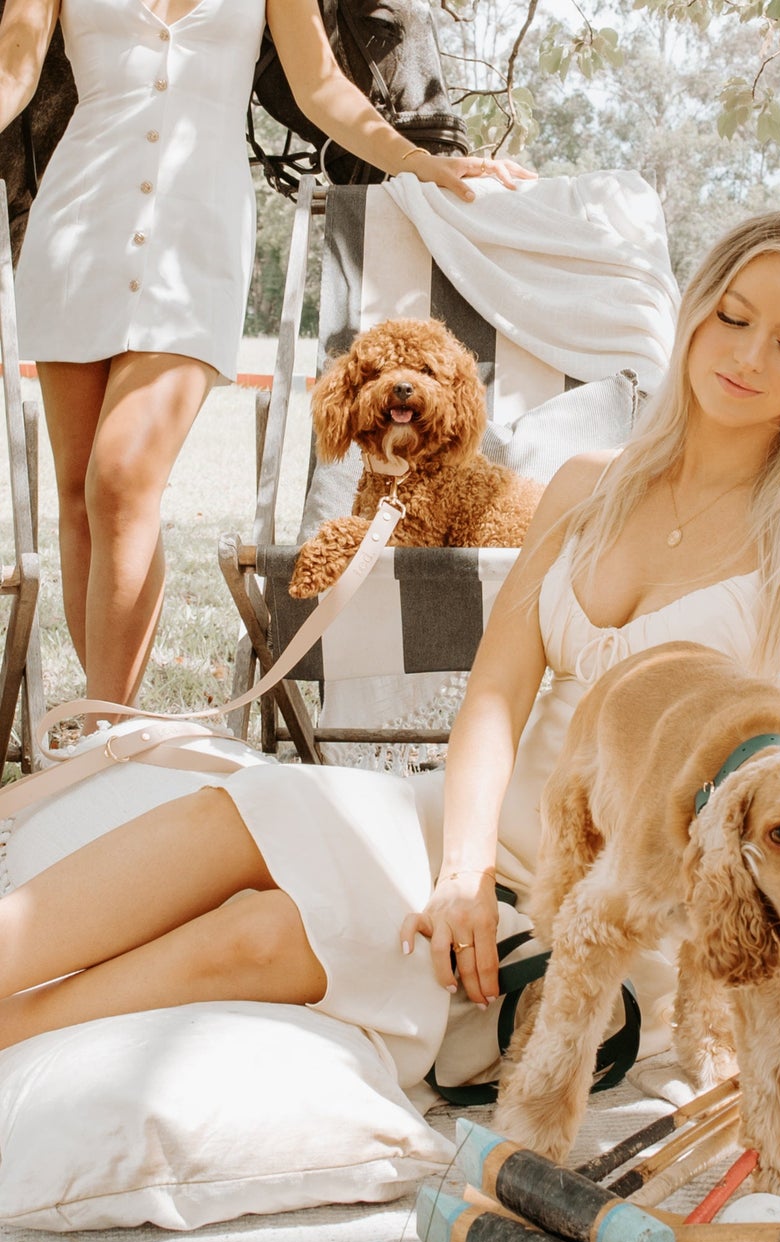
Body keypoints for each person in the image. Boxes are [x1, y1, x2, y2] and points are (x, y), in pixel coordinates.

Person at [0, 208, 780, 1079]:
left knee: (265, 930)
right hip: (468, 839)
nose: (749, 356)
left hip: (612, 912)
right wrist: (456, 869)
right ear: (691, 312)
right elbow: (493, 692)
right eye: (731, 317)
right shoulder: (588, 484)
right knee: (233, 811)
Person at [0, 0, 533, 719]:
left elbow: (320, 86)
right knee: (78, 496)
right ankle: (106, 725)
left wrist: (418, 161)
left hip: (195, 233)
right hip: (79, 225)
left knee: (121, 478)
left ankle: (106, 734)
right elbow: (14, 69)